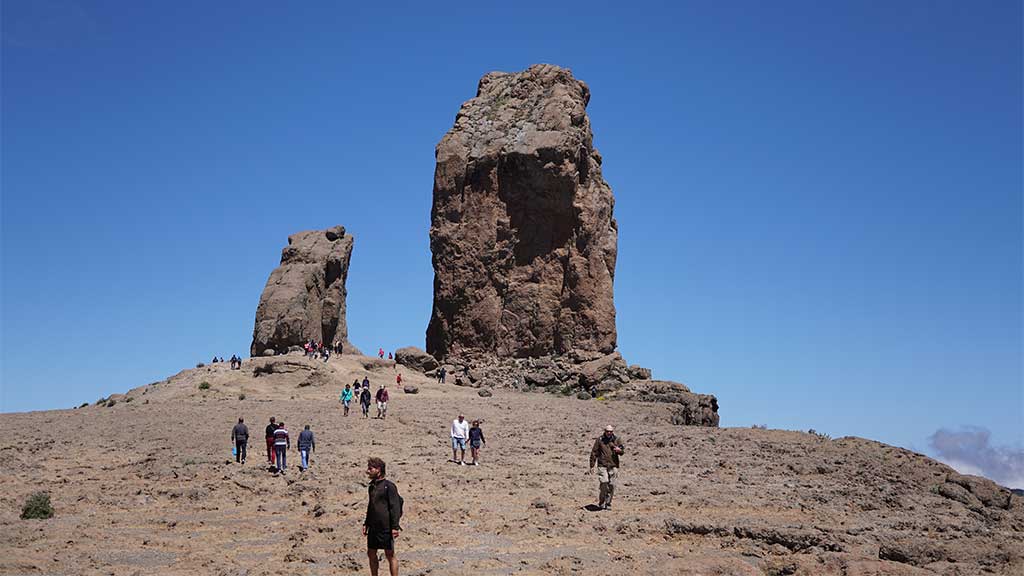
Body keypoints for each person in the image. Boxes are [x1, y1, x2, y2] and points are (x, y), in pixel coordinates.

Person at [363, 457, 401, 576]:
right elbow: (371, 506)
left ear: (378, 470)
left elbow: (395, 507)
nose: (367, 471)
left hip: (386, 527)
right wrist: (366, 523)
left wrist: (395, 527)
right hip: (374, 526)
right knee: (371, 552)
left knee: (390, 554)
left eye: (370, 468)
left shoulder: (389, 486)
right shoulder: (372, 486)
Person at [588, 424, 625, 510]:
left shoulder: (616, 439)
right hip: (602, 465)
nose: (609, 433)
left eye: (611, 431)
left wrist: (619, 451)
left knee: (612, 485)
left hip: (613, 465)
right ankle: (602, 502)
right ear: (605, 431)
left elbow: (622, 451)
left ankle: (608, 503)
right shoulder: (600, 440)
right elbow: (594, 452)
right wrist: (592, 466)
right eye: (607, 431)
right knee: (604, 482)